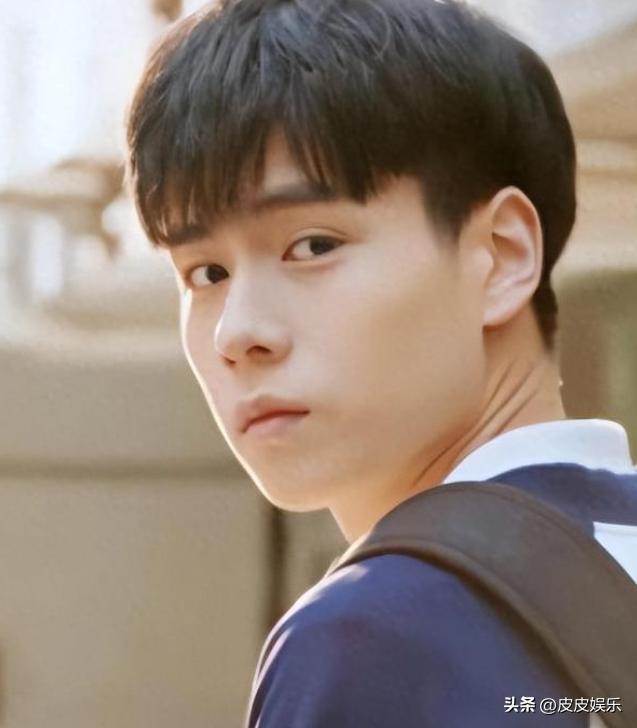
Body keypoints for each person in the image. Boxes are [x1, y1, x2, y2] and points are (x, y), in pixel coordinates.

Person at [124, 0, 637, 725]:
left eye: (313, 246)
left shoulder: (376, 634)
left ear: (500, 256)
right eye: (206, 273)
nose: (237, 333)